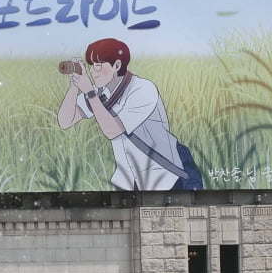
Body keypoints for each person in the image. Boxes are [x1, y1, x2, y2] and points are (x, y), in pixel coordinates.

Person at [56, 38, 201, 191]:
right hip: (127, 182)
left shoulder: (143, 89)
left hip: (163, 178)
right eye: (91, 66)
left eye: (98, 65)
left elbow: (113, 130)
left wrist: (89, 93)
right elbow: (65, 121)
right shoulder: (101, 92)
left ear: (117, 65)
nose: (92, 71)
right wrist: (74, 87)